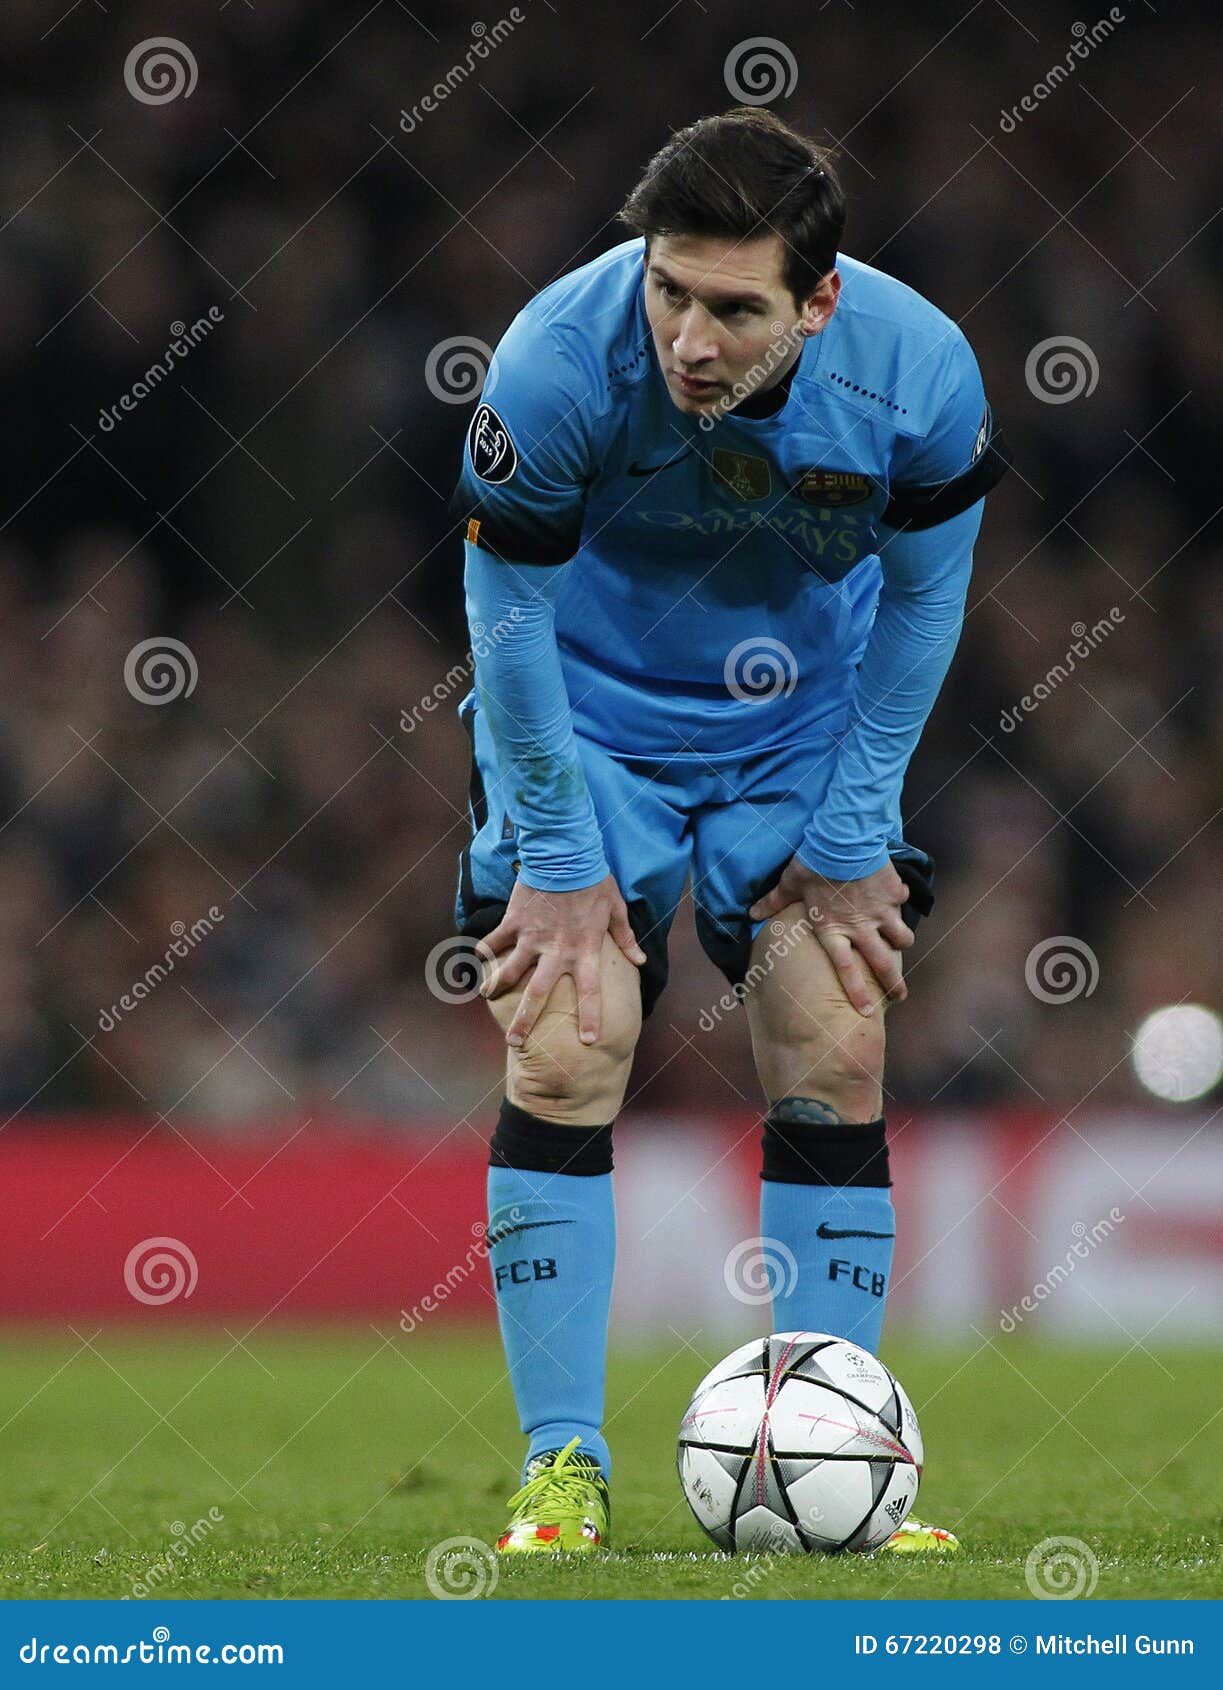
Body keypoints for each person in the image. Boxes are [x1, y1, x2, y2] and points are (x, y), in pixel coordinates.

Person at [449, 107, 1007, 1557]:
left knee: (836, 1033)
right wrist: (561, 862)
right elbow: (503, 618)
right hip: (586, 717)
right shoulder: (554, 361)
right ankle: (560, 1469)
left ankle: (847, 1455)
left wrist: (857, 818)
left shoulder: (920, 376)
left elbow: (928, 601)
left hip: (802, 727)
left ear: (819, 301)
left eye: (735, 307)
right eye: (670, 290)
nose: (691, 338)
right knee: (565, 1038)